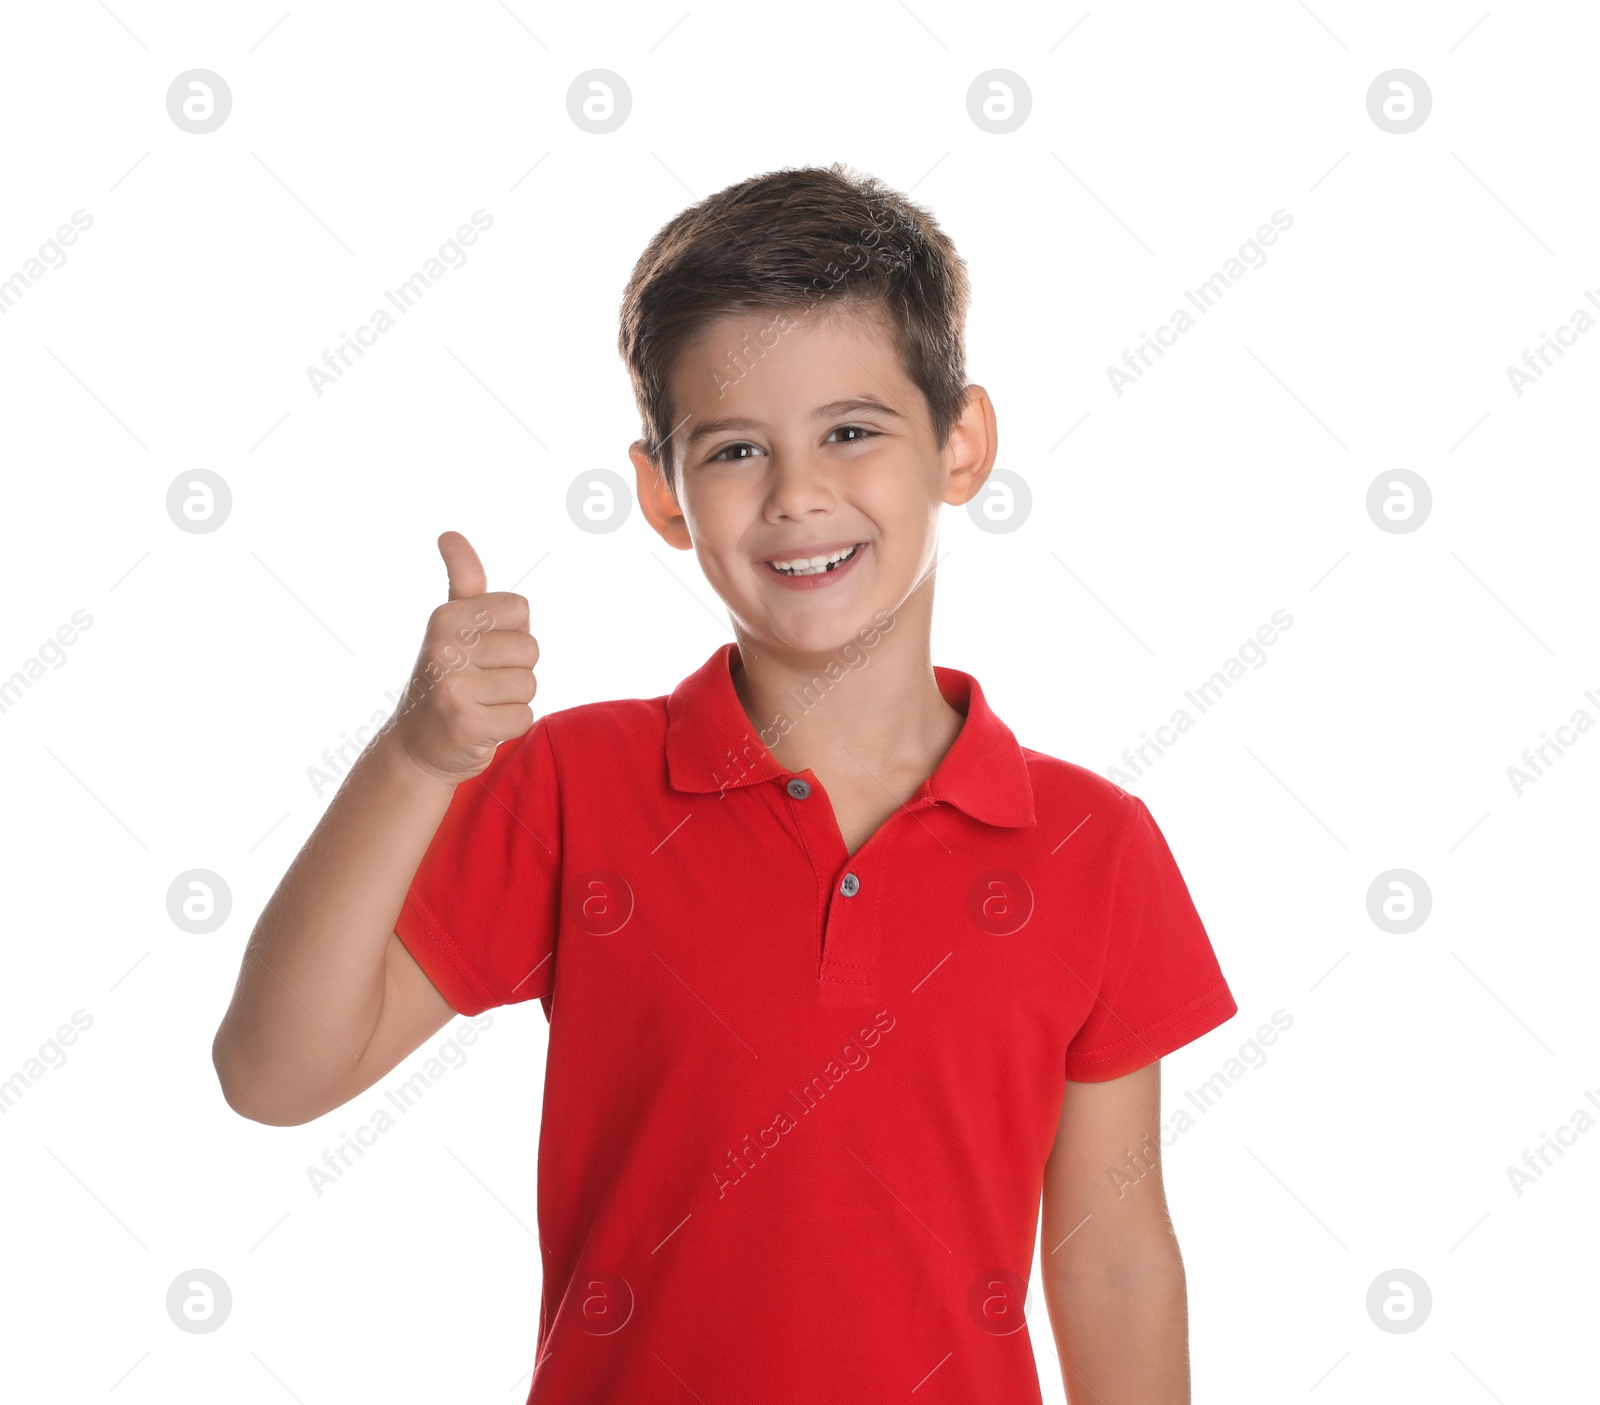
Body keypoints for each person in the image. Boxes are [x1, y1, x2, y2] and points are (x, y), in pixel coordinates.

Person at [213, 161, 1238, 1404]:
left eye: (851, 431)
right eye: (738, 448)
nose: (798, 494)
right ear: (662, 493)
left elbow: (1113, 1258)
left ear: (959, 443)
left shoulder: (1092, 844)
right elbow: (272, 1075)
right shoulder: (576, 786)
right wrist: (417, 762)